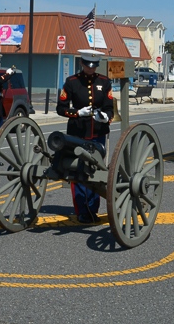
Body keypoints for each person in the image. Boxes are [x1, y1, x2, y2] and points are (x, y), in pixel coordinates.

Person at [56, 49, 114, 223]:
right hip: (78, 132)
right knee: (78, 171)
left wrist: (105, 117)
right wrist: (76, 113)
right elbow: (61, 108)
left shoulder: (104, 81)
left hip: (97, 132)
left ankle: (93, 209)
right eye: (88, 65)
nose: (91, 69)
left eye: (94, 66)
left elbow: (109, 107)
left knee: (95, 169)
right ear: (82, 63)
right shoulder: (71, 82)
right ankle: (82, 210)